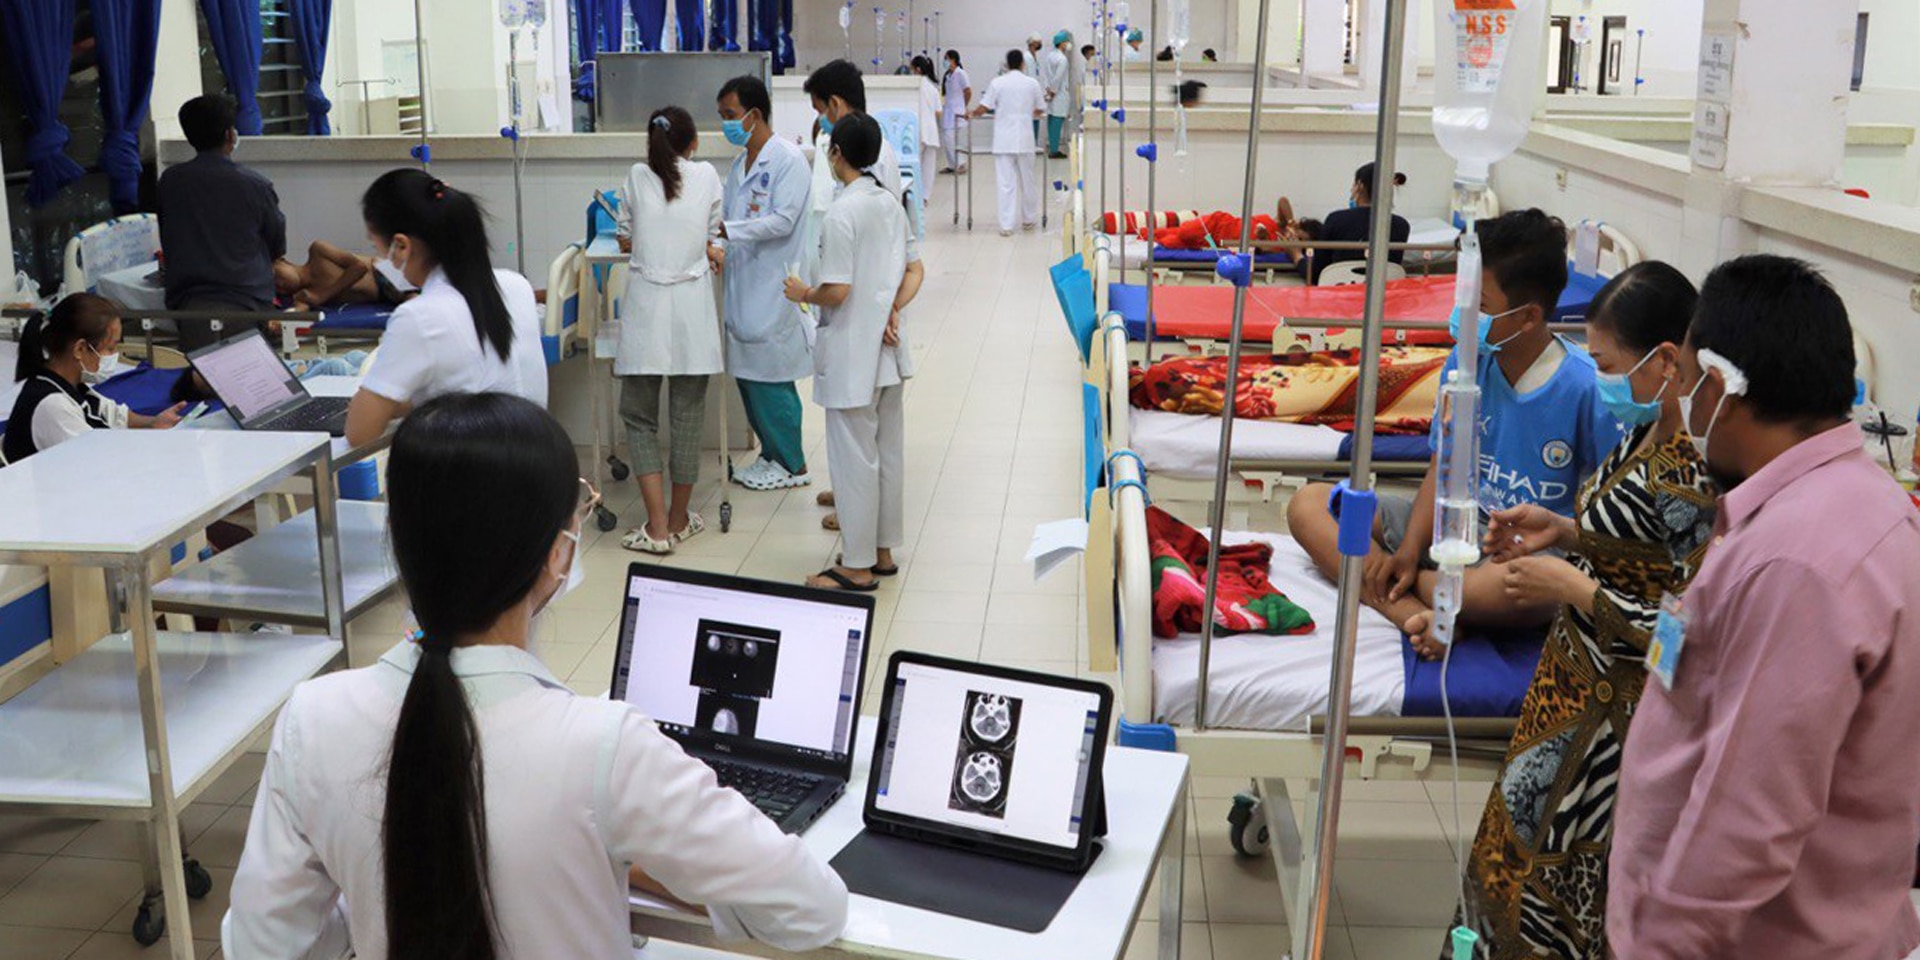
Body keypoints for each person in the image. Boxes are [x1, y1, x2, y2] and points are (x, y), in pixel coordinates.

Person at [223, 391, 850, 960]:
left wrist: (368, 888)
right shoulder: (606, 747)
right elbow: (812, 909)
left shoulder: (314, 717)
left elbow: (264, 944)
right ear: (557, 553)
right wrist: (626, 861)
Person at [1608, 256, 1920, 960]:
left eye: (1685, 383)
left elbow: (1747, 816)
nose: (1684, 407)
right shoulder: (1844, 504)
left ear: (1719, 388)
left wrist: (1659, 944)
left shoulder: (1800, 560)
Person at [1453, 263, 1718, 960]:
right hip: (1567, 697)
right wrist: (1562, 530)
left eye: (1604, 363)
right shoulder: (1646, 431)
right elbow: (1639, 549)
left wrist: (1569, 586)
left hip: (1617, 731)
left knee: (1555, 904)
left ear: (1666, 361)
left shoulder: (1692, 474)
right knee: (1502, 874)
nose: (1597, 378)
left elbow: (1690, 639)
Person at [1287, 209, 1619, 653]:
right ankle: (1412, 612)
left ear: (1528, 317)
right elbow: (1442, 465)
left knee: (1512, 589)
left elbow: (1606, 517)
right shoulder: (1466, 363)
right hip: (1451, 525)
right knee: (1310, 505)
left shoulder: (1584, 388)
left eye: (1479, 305)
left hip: (1523, 552)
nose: (1464, 314)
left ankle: (1436, 598)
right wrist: (1407, 550)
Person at [783, 114, 924, 592]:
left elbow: (838, 290)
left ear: (836, 153)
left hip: (851, 355)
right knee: (886, 454)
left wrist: (803, 292)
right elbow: (915, 270)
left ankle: (858, 566)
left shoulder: (844, 212)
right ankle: (882, 553)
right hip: (886, 353)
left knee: (854, 460)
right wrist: (891, 310)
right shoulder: (890, 201)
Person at [345, 170, 546, 448]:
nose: (379, 260)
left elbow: (359, 434)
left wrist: (376, 401)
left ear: (401, 246)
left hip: (473, 475)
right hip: (539, 464)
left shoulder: (420, 317)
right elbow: (474, 383)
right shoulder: (516, 286)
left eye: (376, 247)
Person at [613, 107, 725, 554]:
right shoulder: (709, 177)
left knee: (639, 418)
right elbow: (712, 234)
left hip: (646, 310)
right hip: (692, 310)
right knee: (687, 418)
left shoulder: (637, 177)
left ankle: (655, 528)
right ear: (693, 143)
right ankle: (679, 521)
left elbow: (625, 237)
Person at [716, 76, 814, 493]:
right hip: (743, 282)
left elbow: (783, 220)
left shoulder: (788, 160)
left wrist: (728, 231)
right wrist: (720, 244)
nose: (726, 125)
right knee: (749, 377)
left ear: (754, 115)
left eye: (731, 116)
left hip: (774, 284)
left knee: (772, 379)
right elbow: (728, 219)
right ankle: (771, 456)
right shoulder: (740, 165)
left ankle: (793, 463)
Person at [156, 95, 288, 350]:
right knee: (246, 376)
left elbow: (168, 236)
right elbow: (276, 245)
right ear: (230, 134)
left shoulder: (170, 182)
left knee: (204, 374)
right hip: (247, 301)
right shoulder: (255, 184)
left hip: (189, 303)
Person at [3, 294, 183, 465]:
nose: (114, 356)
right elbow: (96, 462)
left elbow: (111, 413)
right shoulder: (52, 405)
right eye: (110, 348)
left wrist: (152, 423)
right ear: (80, 349)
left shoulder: (72, 385)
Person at [970, 51, 1047, 236]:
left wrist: (972, 113)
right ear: (1022, 64)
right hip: (1025, 139)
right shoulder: (1032, 83)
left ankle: (1006, 226)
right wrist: (1027, 113)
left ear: (1007, 64)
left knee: (1006, 183)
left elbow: (984, 106)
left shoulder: (998, 82)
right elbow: (1040, 108)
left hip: (1004, 140)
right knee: (1028, 180)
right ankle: (1028, 219)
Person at [1311, 162, 1411, 283]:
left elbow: (1316, 271)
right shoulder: (1401, 225)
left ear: (1359, 185)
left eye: (1353, 185)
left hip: (1340, 295)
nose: (1351, 189)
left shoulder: (1336, 219)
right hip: (1384, 297)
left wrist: (1296, 257)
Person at [272, 240, 415, 309]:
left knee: (413, 300)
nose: (279, 284)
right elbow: (297, 311)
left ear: (283, 261)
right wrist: (281, 322)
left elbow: (358, 268)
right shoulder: (304, 295)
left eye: (275, 275)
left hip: (381, 272)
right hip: (383, 297)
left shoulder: (318, 252)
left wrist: (321, 296)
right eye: (275, 288)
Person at [909, 55, 944, 192]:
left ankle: (915, 193)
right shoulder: (933, 87)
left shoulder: (914, 87)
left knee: (915, 163)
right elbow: (939, 112)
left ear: (917, 69)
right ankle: (925, 197)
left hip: (916, 128)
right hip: (931, 130)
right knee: (929, 166)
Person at [1040, 31, 1075, 159]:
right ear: (1062, 43)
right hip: (1059, 94)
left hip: (1051, 92)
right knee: (1057, 122)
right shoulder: (1062, 59)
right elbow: (1058, 78)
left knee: (1051, 120)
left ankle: (1053, 147)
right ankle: (1054, 150)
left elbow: (1046, 75)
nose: (1068, 44)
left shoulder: (1050, 56)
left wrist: (1047, 90)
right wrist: (1053, 91)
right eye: (1067, 41)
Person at [940, 50, 973, 174]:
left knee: (958, 140)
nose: (945, 61)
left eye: (946, 58)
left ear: (953, 59)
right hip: (948, 111)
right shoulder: (948, 75)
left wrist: (964, 107)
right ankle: (952, 165)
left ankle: (961, 164)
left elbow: (968, 91)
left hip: (959, 112)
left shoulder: (961, 74)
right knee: (948, 139)